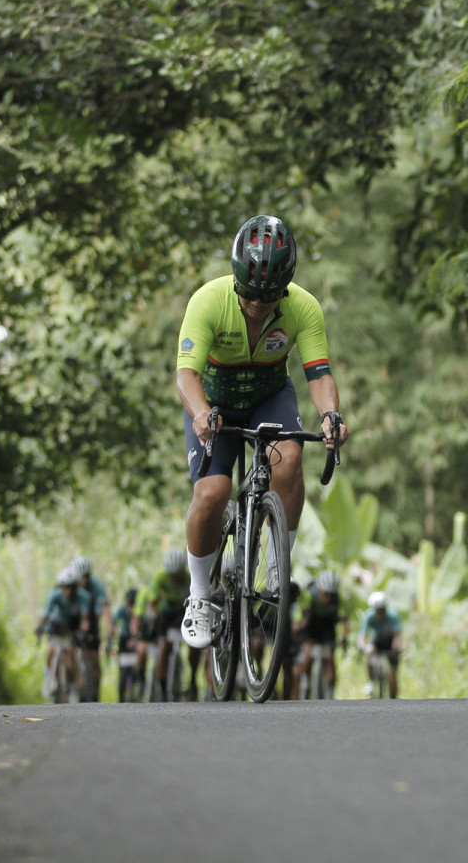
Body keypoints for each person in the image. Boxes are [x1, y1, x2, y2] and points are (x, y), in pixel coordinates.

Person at [174, 214, 350, 652]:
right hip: (214, 404)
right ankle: (200, 596)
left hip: (269, 395)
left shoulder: (304, 308)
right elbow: (186, 375)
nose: (258, 303)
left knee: (289, 459)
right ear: (235, 279)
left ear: (285, 287)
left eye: (270, 295)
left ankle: (277, 564)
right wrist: (200, 413)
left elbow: (318, 373)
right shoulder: (208, 301)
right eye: (250, 292)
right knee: (212, 493)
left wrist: (330, 415)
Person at [36, 564, 90, 702]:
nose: (68, 590)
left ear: (76, 587)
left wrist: (83, 631)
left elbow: (85, 620)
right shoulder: (54, 595)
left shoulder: (83, 597)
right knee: (51, 651)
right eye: (65, 587)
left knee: (70, 660)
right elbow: (45, 615)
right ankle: (48, 675)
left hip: (71, 629)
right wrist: (39, 628)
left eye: (71, 587)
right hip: (56, 627)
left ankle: (72, 686)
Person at [294, 570, 345, 699]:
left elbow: (345, 622)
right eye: (325, 594)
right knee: (308, 655)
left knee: (330, 658)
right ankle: (306, 682)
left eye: (331, 595)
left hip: (327, 626)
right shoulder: (309, 596)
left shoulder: (339, 599)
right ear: (319, 589)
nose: (328, 598)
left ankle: (330, 691)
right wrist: (298, 628)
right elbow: (299, 618)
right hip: (310, 625)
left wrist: (344, 638)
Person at [150, 546, 192, 700]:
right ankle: (162, 686)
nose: (175, 579)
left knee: (195, 644)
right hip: (166, 614)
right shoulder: (160, 577)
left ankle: (193, 679)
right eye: (172, 575)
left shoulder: (189, 577)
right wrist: (152, 616)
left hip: (184, 612)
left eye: (177, 575)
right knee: (164, 647)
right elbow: (152, 603)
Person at [70, 555, 109, 702]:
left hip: (91, 622)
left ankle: (95, 690)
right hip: (73, 620)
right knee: (69, 652)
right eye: (81, 577)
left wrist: (110, 628)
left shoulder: (96, 586)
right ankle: (71, 685)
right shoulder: (68, 586)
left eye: (86, 576)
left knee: (93, 656)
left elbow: (105, 608)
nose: (84, 581)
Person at [358, 591, 403, 698]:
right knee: (369, 652)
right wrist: (362, 646)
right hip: (377, 641)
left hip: (390, 644)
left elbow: (397, 636)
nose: (379, 613)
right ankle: (371, 681)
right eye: (377, 610)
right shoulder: (369, 616)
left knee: (392, 678)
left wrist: (395, 649)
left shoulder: (393, 616)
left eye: (382, 610)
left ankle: (394, 698)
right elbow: (362, 635)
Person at [110, 587, 141, 703]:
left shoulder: (140, 610)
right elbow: (113, 622)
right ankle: (121, 697)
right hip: (124, 639)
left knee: (138, 666)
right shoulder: (122, 610)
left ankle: (138, 688)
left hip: (138, 638)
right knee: (123, 670)